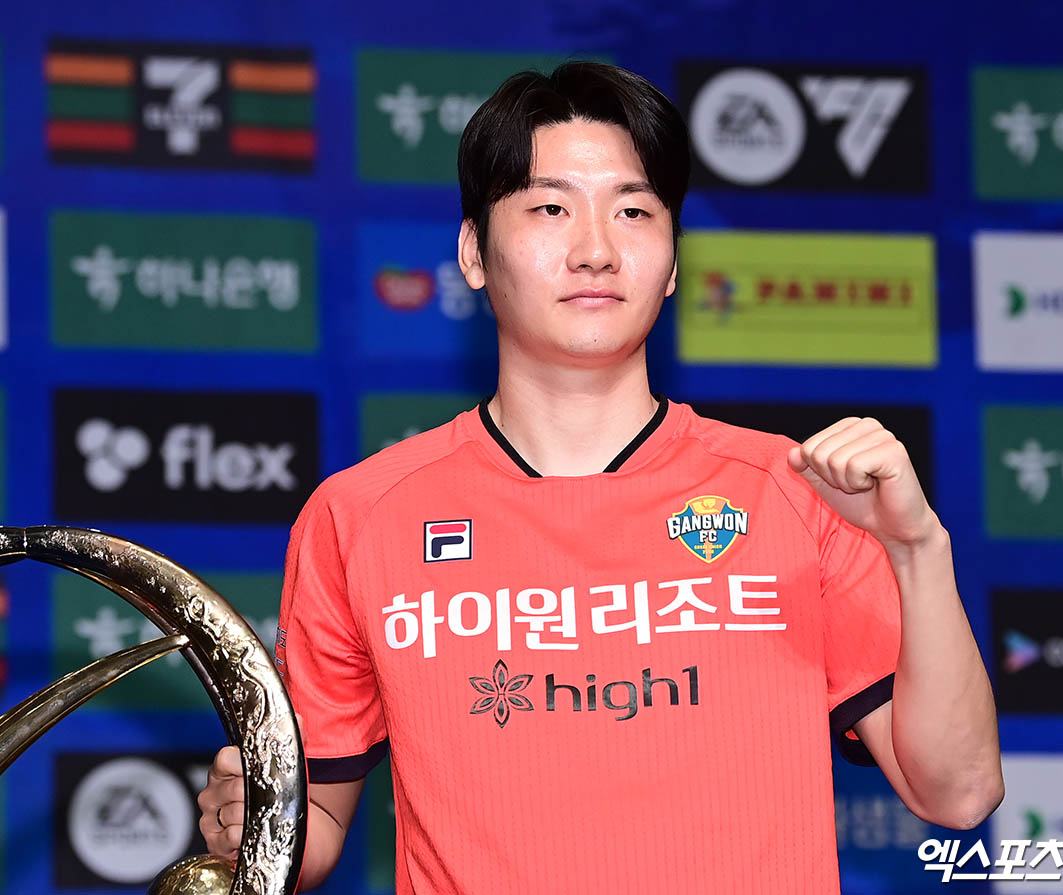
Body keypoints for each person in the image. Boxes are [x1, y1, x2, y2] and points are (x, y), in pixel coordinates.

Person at [197, 61, 1003, 894]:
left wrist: (918, 548)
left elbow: (960, 790)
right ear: (473, 252)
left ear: (674, 260)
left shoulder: (797, 494)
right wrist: (255, 824)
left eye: (633, 211)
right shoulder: (360, 515)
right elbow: (315, 827)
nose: (595, 251)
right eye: (550, 208)